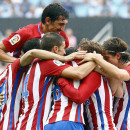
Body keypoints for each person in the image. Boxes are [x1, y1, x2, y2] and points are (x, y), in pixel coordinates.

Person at [15, 32, 96, 130]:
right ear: (56, 49)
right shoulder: (49, 63)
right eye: (63, 48)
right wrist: (96, 60)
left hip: (26, 122)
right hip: (33, 124)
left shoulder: (34, 62)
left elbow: (32, 53)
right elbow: (78, 73)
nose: (65, 52)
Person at [0, 37, 81, 130]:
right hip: (21, 125)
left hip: (18, 123)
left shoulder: (14, 71)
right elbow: (78, 74)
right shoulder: (27, 66)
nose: (64, 52)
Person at [44, 39, 118, 130]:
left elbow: (79, 97)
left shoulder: (94, 74)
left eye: (80, 54)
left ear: (90, 56)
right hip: (66, 122)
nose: (76, 56)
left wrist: (60, 81)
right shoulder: (74, 72)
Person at [79, 37, 130, 130]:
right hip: (112, 123)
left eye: (106, 58)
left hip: (123, 124)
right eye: (103, 58)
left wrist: (97, 59)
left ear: (118, 56)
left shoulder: (125, 71)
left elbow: (118, 75)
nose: (104, 62)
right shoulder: (113, 72)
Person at [0, 3, 69, 63]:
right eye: (60, 24)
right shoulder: (25, 33)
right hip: (20, 76)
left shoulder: (60, 34)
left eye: (64, 24)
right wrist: (19, 62)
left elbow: (66, 53)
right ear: (48, 21)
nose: (62, 29)